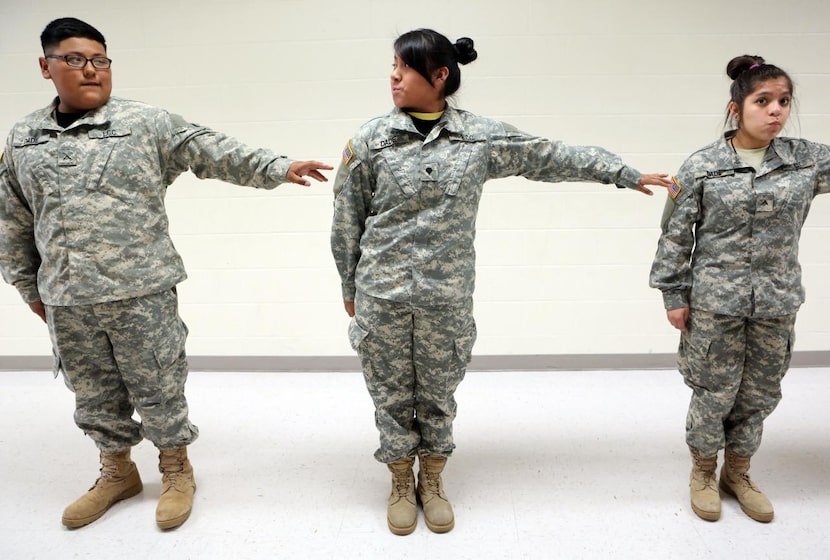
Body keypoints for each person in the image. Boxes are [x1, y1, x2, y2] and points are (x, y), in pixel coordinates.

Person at [330, 28, 671, 535]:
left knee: (441, 391)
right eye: (394, 65)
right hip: (383, 293)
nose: (394, 75)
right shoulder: (371, 140)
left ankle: (434, 479)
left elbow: (548, 156)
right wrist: (349, 288)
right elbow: (346, 216)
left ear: (439, 75)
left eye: (404, 66)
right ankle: (402, 480)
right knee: (390, 391)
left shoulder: (478, 137)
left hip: (446, 297)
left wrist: (621, 172)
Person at [0, 17, 332, 530]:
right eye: (75, 59)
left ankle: (176, 471)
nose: (91, 70)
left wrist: (278, 166)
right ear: (46, 67)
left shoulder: (145, 124)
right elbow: (13, 218)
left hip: (142, 293)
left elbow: (212, 149)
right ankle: (117, 472)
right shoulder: (24, 138)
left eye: (100, 60)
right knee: (91, 393)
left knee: (159, 385)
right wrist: (27, 285)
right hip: (67, 299)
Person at [649, 55, 829, 523]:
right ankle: (704, 473)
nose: (775, 111)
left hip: (776, 303)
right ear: (737, 108)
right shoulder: (703, 166)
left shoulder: (805, 160)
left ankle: (740, 472)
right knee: (714, 391)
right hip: (715, 304)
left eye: (783, 101)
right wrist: (674, 294)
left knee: (761, 393)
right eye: (763, 101)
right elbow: (675, 234)